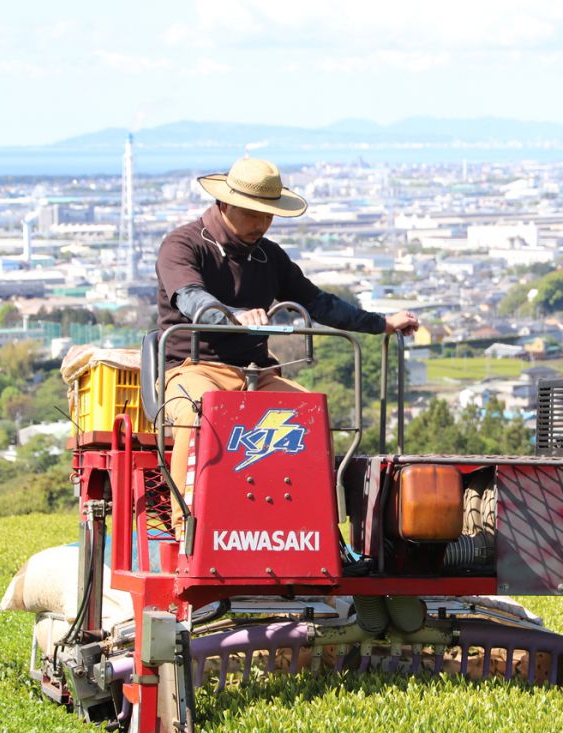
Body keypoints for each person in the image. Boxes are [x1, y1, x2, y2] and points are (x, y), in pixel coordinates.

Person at [155, 157, 419, 532]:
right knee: (201, 413)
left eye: (269, 215)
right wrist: (235, 317)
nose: (262, 224)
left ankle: (307, 527)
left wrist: (381, 324)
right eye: (253, 214)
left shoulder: (269, 256)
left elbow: (318, 303)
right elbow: (192, 299)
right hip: (193, 367)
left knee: (308, 415)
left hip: (256, 372)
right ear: (225, 204)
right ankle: (188, 528)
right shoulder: (182, 245)